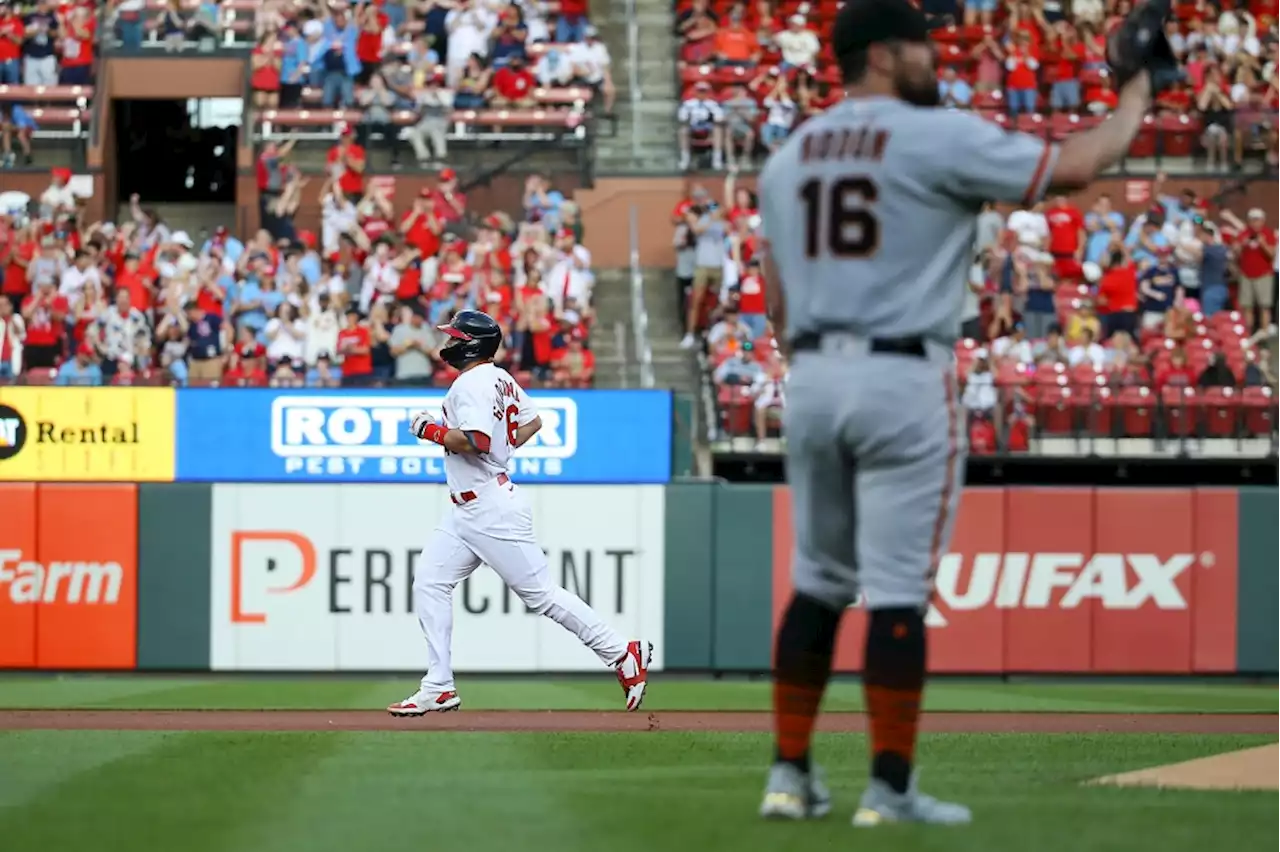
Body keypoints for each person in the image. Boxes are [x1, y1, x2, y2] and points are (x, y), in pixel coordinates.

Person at [755, 0, 1157, 827]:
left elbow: (775, 293)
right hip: (904, 374)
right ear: (879, 55)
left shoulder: (789, 155)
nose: (932, 56)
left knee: (817, 584)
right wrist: (1136, 93)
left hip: (814, 375)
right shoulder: (934, 134)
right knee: (897, 592)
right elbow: (1080, 165)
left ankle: (788, 779)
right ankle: (888, 789)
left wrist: (813, 355)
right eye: (918, 44)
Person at [388, 309, 651, 715]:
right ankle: (438, 685)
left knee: (542, 594)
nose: (450, 342)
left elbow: (475, 439)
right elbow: (532, 423)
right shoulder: (500, 378)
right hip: (467, 509)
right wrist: (499, 450)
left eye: (456, 337)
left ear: (471, 344)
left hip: (489, 507)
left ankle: (621, 652)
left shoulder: (471, 382)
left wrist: (431, 431)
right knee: (429, 581)